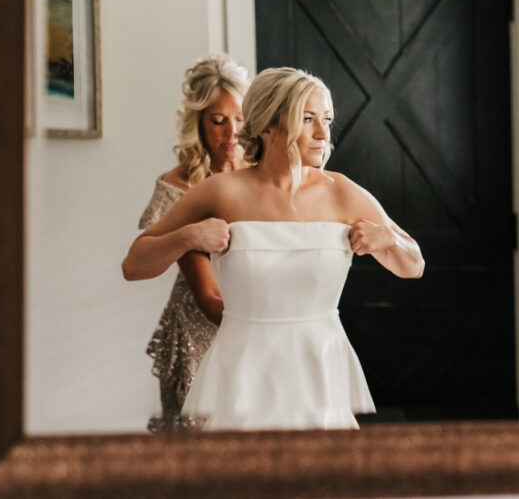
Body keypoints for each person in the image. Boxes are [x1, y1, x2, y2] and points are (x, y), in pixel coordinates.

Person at [125, 67, 424, 430]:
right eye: (308, 119)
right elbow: (134, 264)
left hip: (319, 376)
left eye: (327, 120)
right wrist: (189, 237)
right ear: (267, 125)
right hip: (242, 377)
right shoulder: (222, 191)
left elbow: (414, 265)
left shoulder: (342, 191)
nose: (323, 134)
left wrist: (389, 239)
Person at [121, 53, 250, 432]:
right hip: (200, 330)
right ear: (198, 123)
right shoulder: (178, 189)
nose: (231, 133)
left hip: (249, 322)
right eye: (218, 121)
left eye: (240, 120)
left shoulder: (261, 178)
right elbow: (206, 294)